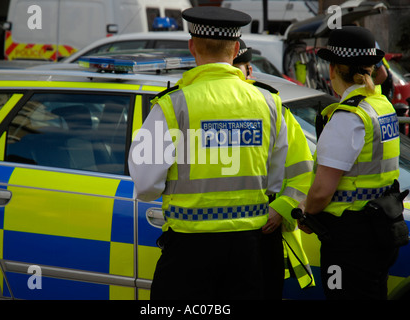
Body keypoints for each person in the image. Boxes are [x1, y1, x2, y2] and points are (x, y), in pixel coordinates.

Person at [128, 6, 288, 300]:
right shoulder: (269, 103)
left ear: (192, 46)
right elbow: (276, 180)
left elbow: (147, 184)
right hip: (249, 251)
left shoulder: (173, 104)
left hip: (190, 251)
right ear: (236, 48)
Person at [301, 26, 401, 300]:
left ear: (333, 70)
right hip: (382, 226)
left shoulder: (349, 117)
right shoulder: (381, 106)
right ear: (370, 67)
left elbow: (322, 190)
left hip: (351, 237)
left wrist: (307, 214)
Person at [233, 40, 315, 298]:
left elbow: (303, 170)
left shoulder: (272, 108)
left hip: (259, 232)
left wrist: (279, 210)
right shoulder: (194, 104)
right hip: (227, 235)